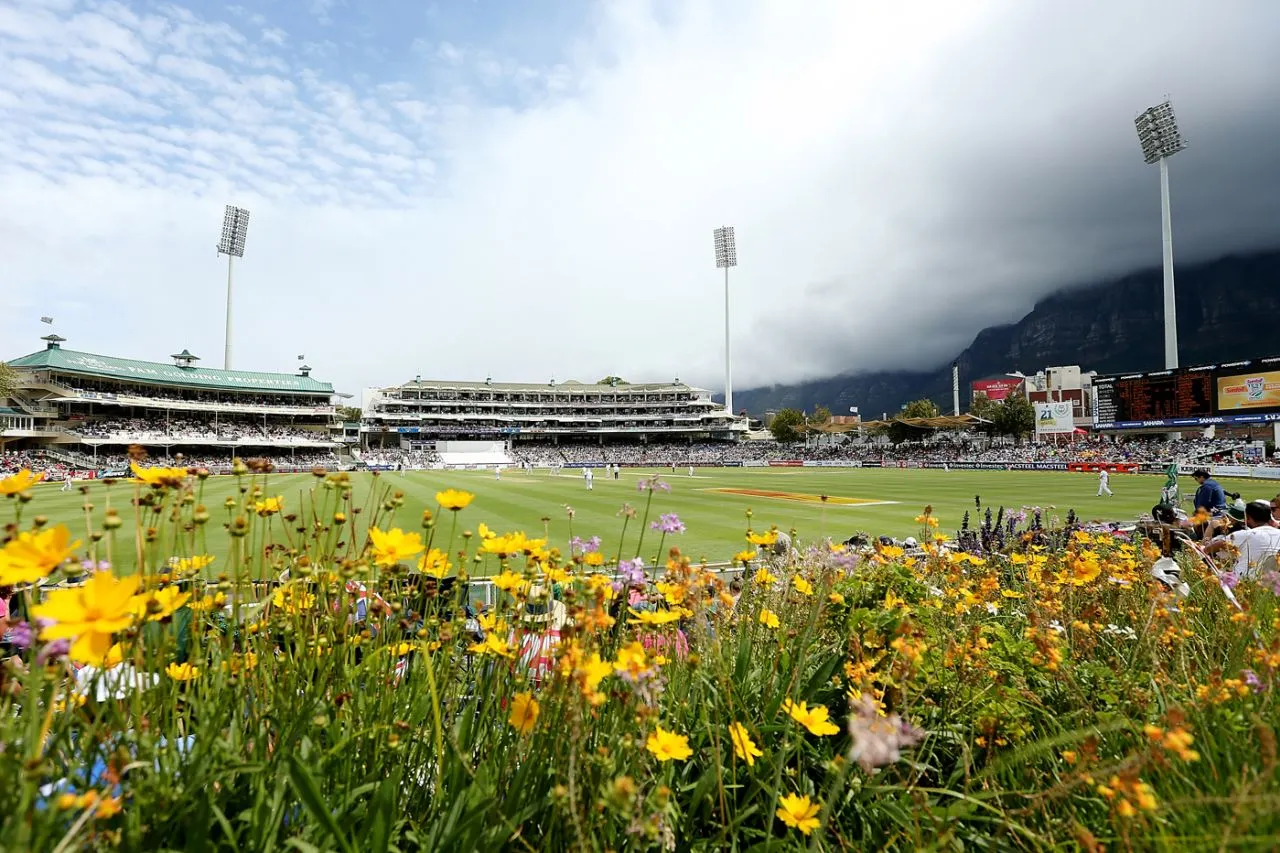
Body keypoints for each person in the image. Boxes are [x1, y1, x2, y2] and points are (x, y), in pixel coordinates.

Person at [1206, 500, 1280, 579]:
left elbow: (1207, 549)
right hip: (1271, 584)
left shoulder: (1243, 535)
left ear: (1248, 518)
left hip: (1242, 580)